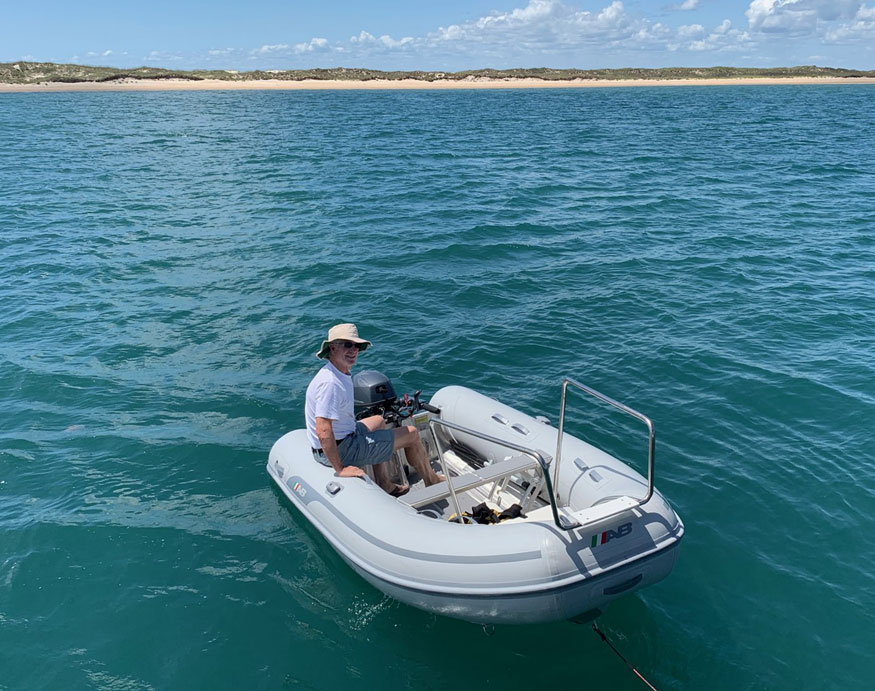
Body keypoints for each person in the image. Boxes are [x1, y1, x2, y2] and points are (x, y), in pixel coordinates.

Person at [305, 323, 443, 496]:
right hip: (341, 449)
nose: (353, 350)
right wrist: (339, 468)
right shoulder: (331, 383)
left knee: (378, 420)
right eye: (347, 345)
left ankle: (384, 482)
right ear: (332, 348)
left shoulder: (337, 372)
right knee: (412, 434)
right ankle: (432, 480)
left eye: (357, 346)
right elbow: (323, 429)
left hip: (345, 437)